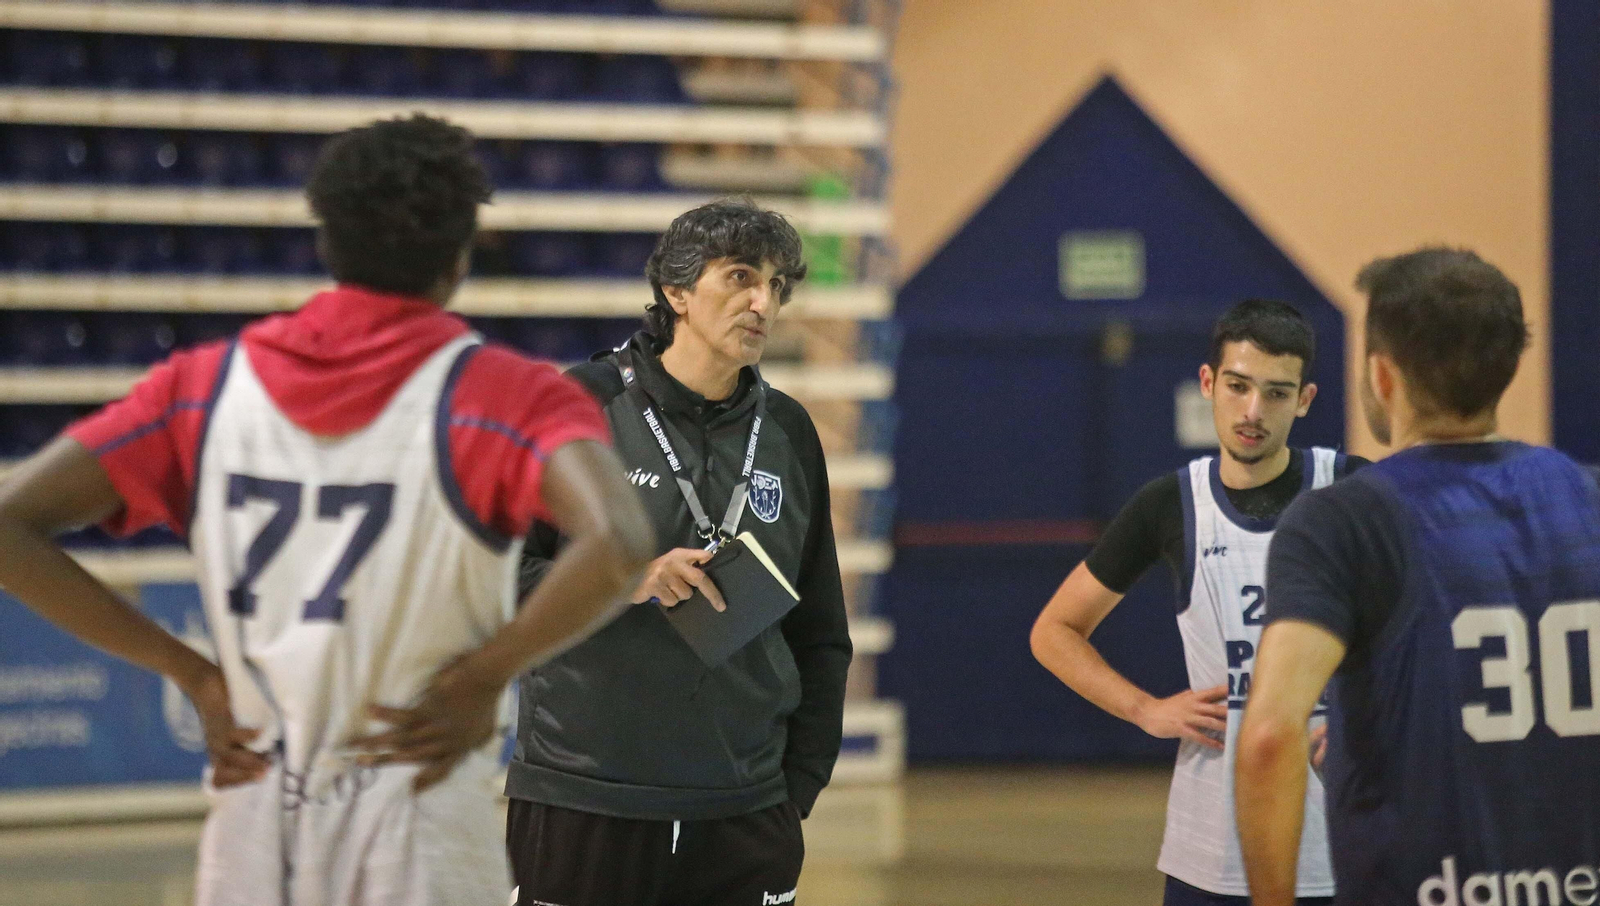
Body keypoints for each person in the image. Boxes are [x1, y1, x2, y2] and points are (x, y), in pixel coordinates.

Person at [0, 114, 655, 906]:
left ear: (327, 241)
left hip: (254, 819)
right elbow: (619, 542)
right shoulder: (503, 397)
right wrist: (485, 676)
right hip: (417, 819)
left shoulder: (201, 389)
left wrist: (191, 673)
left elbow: (9, 524)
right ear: (458, 256)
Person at [505, 199, 852, 906]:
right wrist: (625, 578)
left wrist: (799, 788)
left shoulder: (787, 429)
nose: (764, 301)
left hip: (745, 809)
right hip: (587, 796)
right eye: (740, 277)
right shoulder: (581, 405)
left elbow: (821, 630)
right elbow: (493, 579)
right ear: (677, 291)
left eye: (778, 285)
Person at [1237, 247, 1600, 906]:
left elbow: (1267, 739)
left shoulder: (1345, 520)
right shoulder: (1588, 499)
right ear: (1508, 368)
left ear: (1381, 375)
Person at [1031, 299, 1364, 905]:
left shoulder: (1352, 490)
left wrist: (1368, 718)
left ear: (1306, 399)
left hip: (1344, 846)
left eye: (1277, 393)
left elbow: (1432, 618)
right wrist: (1142, 708)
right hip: (1209, 852)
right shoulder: (1169, 505)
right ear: (1209, 383)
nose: (1254, 411)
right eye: (1238, 386)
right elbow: (1054, 630)